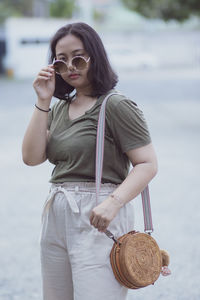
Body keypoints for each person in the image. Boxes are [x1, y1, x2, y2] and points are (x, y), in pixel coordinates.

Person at [22, 22, 158, 300]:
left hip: (100, 212)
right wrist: (43, 100)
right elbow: (31, 157)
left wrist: (113, 203)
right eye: (61, 61)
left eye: (78, 57)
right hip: (57, 212)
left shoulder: (116, 105)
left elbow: (147, 163)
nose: (70, 66)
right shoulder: (60, 108)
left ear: (95, 57)